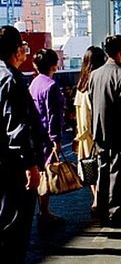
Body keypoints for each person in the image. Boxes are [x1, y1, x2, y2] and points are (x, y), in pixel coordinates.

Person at [0, 26, 45, 263]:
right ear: (17, 50)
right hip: (12, 165)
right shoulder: (11, 80)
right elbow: (16, 127)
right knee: (15, 224)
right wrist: (31, 165)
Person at [89, 35, 121, 228]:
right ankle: (118, 215)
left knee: (103, 173)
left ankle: (102, 211)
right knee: (119, 176)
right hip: (120, 134)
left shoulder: (95, 74)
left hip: (100, 132)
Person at [28, 48, 65, 224]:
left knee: (39, 171)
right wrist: (55, 139)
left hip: (34, 134)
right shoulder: (51, 86)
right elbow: (54, 115)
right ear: (54, 65)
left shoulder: (33, 83)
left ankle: (41, 209)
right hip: (46, 136)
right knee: (46, 173)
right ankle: (44, 211)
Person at [74, 46, 107, 215]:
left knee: (90, 169)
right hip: (96, 134)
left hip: (84, 136)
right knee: (101, 168)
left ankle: (96, 199)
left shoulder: (81, 87)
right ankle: (98, 201)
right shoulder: (97, 84)